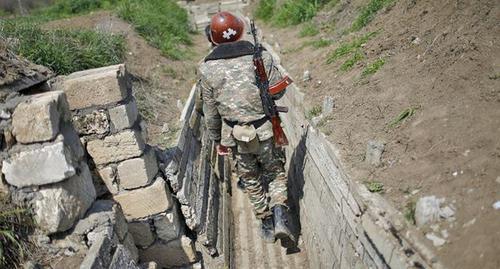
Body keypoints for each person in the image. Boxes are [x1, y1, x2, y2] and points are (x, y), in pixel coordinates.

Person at [196, 11, 293, 244]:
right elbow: (278, 90)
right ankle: (280, 213)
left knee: (250, 178)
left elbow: (210, 112)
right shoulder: (260, 56)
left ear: (213, 38)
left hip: (234, 136)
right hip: (265, 130)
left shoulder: (206, 68)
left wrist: (217, 140)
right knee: (275, 172)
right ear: (239, 31)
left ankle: (267, 222)